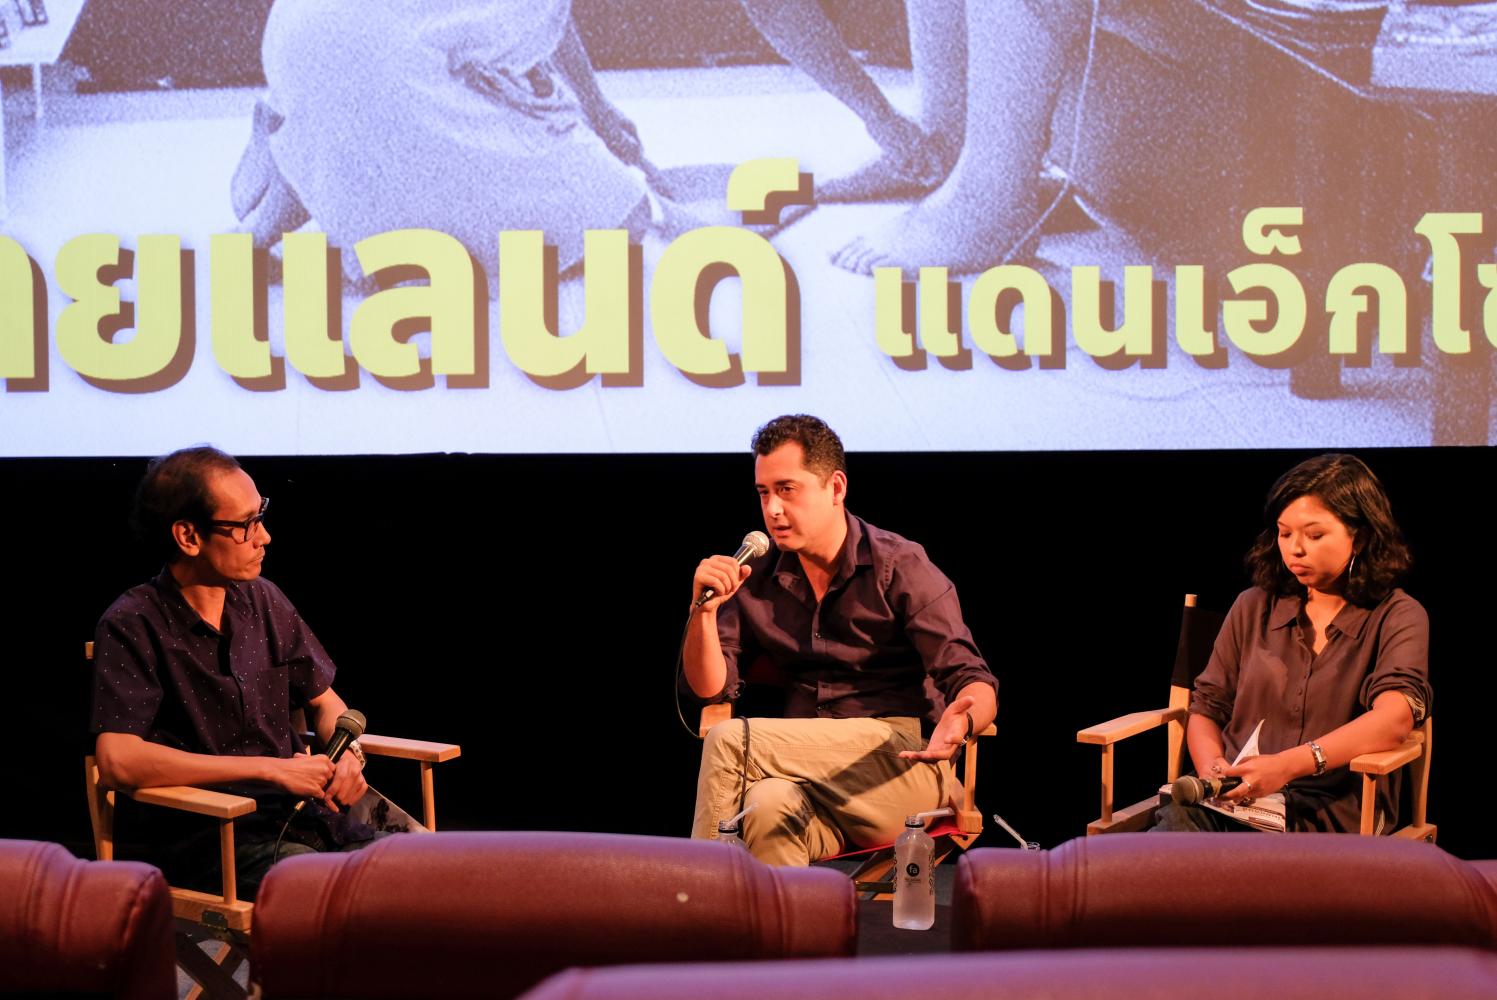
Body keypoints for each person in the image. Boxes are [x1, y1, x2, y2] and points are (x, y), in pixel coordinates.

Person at [683, 414, 998, 865]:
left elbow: (972, 679)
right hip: (804, 776)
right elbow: (711, 688)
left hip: (897, 768)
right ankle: (794, 932)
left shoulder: (898, 565)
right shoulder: (754, 574)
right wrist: (704, 615)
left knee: (732, 740)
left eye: (787, 490)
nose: (772, 509)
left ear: (835, 488)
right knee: (769, 804)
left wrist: (964, 720)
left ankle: (698, 902)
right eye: (764, 493)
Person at [91, 447, 380, 899]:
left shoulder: (264, 601)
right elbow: (118, 758)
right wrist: (269, 771)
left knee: (419, 871)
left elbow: (325, 701)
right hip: (210, 839)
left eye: (260, 516)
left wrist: (348, 754)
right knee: (337, 892)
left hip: (301, 820)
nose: (264, 536)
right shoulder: (133, 623)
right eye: (246, 525)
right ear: (189, 536)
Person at [237, 0, 658, 273]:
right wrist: (596, 117)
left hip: (291, 37)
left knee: (348, 92)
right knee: (628, 216)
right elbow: (529, 52)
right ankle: (320, 161)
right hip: (372, 64)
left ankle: (283, 179)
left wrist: (599, 113)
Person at [1152, 453, 1431, 833]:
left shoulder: (1397, 615)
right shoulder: (1253, 606)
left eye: (1314, 535)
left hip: (1335, 809)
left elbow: (1395, 717)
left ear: (1360, 537)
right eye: (1285, 534)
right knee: (1178, 830)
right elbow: (1208, 705)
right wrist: (1214, 771)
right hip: (1236, 802)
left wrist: (1289, 764)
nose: (1295, 549)